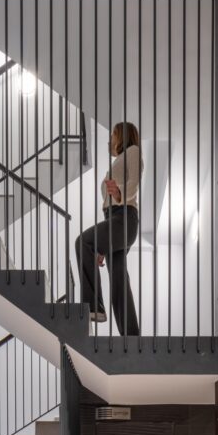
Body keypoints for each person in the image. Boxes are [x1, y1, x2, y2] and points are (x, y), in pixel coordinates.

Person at [75, 121, 142, 335]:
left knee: (83, 242)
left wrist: (119, 192)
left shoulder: (133, 151)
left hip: (124, 217)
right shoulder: (120, 160)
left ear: (123, 135)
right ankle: (131, 337)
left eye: (113, 134)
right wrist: (103, 246)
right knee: (118, 278)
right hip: (115, 219)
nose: (111, 139)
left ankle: (94, 307)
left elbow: (134, 183)